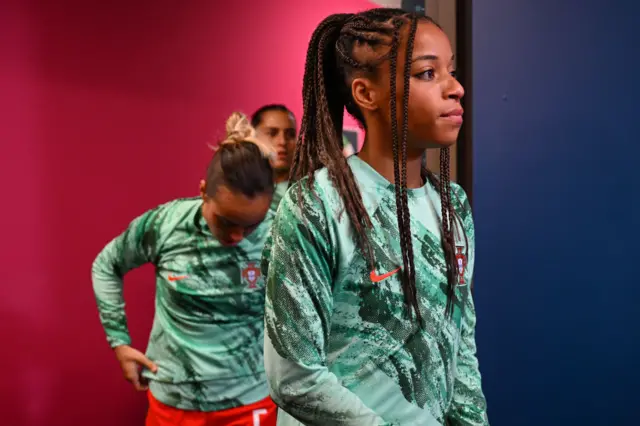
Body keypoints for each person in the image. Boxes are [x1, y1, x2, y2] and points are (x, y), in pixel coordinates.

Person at [262, 8, 488, 426]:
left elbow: (461, 348)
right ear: (367, 94)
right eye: (427, 73)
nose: (456, 88)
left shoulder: (453, 205)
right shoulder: (317, 203)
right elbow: (293, 375)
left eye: (451, 71)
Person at [92, 112, 278, 426]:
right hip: (175, 402)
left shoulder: (278, 233)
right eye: (227, 222)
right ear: (204, 191)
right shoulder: (165, 224)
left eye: (250, 226)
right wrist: (119, 342)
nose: (236, 237)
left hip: (250, 401)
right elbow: (106, 266)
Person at [251, 104, 296, 210]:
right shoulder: (236, 191)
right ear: (252, 137)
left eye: (290, 134)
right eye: (272, 133)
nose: (282, 141)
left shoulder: (310, 193)